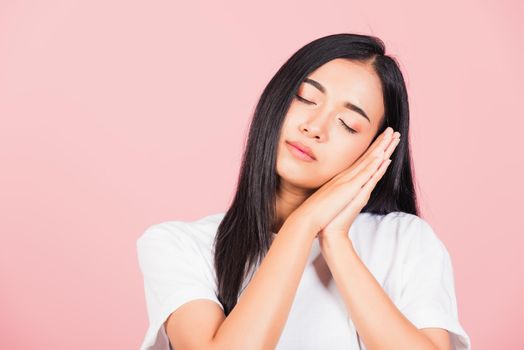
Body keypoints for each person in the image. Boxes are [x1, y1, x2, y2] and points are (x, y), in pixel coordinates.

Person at [136, 33, 471, 350]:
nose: (315, 127)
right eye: (305, 98)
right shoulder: (179, 244)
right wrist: (303, 224)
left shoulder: (404, 240)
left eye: (348, 124)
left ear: (376, 149)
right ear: (275, 100)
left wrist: (336, 240)